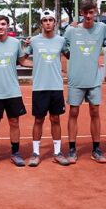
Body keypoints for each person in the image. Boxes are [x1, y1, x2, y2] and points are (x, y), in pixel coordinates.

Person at [19, 9, 69, 166]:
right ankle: (35, 153)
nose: (48, 23)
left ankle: (57, 153)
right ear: (41, 23)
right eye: (45, 20)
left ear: (55, 23)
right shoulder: (33, 41)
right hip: (39, 87)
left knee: (56, 119)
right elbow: (22, 60)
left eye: (50, 20)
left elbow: (70, 55)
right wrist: (37, 65)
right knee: (39, 119)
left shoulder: (61, 40)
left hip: (56, 86)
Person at [61, 0, 106, 163]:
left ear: (95, 12)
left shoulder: (102, 28)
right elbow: (61, 45)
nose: (88, 16)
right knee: (73, 113)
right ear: (80, 13)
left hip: (94, 79)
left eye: (91, 12)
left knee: (95, 112)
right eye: (85, 12)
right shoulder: (71, 30)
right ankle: (72, 149)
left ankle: (96, 149)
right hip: (76, 79)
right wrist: (72, 57)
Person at [0, 14, 28, 167]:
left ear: (8, 26)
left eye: (3, 24)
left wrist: (42, 62)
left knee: (14, 122)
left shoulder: (15, 43)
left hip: (13, 91)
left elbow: (23, 61)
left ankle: (15, 153)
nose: (0, 27)